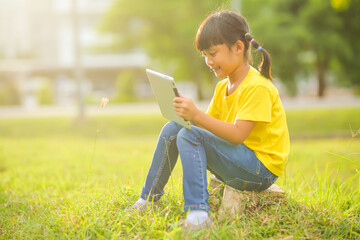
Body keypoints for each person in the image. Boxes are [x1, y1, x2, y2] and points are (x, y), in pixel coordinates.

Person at [127, 10, 290, 230]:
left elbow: (237, 134)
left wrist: (197, 116)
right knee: (173, 128)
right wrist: (186, 115)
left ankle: (198, 214)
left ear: (238, 48)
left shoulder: (256, 87)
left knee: (189, 133)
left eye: (213, 53)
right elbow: (208, 129)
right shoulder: (224, 86)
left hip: (261, 170)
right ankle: (147, 200)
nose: (208, 61)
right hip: (238, 159)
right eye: (204, 55)